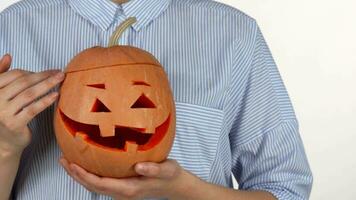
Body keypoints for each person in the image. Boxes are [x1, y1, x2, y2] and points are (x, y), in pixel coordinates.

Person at [0, 0, 313, 199]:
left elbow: (285, 190)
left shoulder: (234, 34)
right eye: (100, 106)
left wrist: (187, 190)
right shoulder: (10, 27)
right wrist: (4, 148)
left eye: (141, 104)